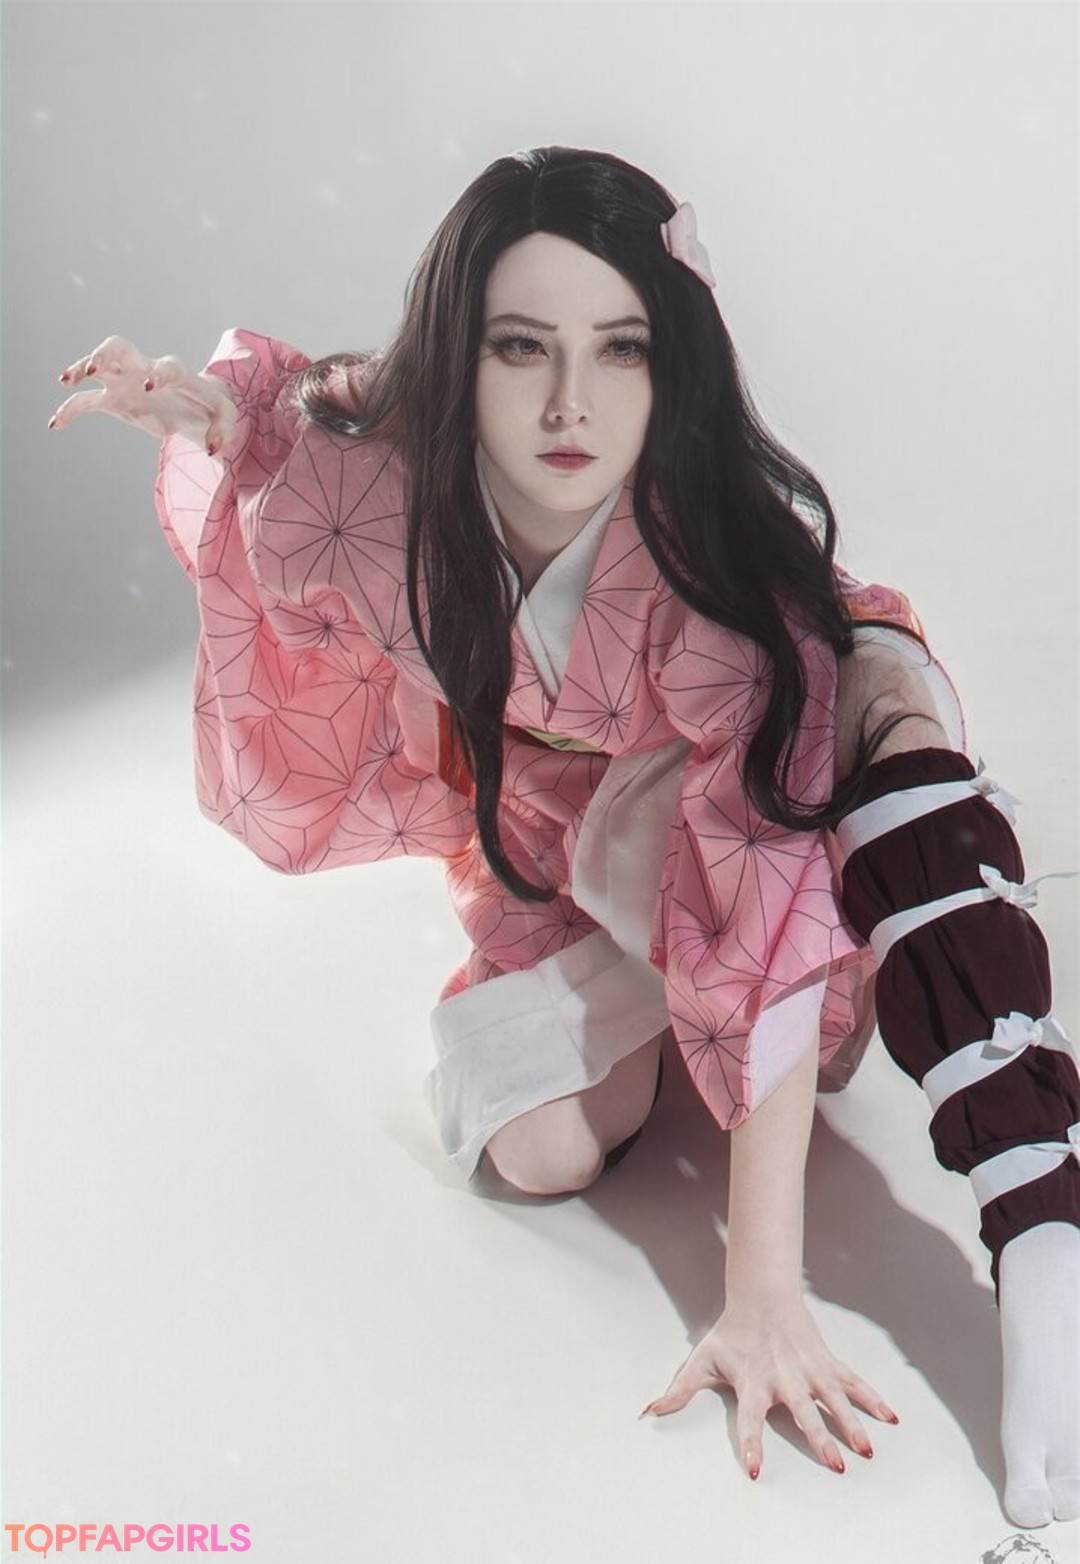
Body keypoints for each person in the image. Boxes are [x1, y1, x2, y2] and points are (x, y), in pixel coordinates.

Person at [49, 146, 1078, 1527]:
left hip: (786, 773)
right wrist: (208, 414)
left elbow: (761, 875)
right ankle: (689, 989)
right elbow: (299, 430)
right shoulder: (384, 500)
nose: (571, 404)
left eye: (621, 349)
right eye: (522, 347)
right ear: (459, 357)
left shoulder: (711, 577)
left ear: (671, 365)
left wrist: (762, 1295)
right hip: (570, 828)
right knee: (536, 1149)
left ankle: (1039, 1212)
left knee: (864, 752)